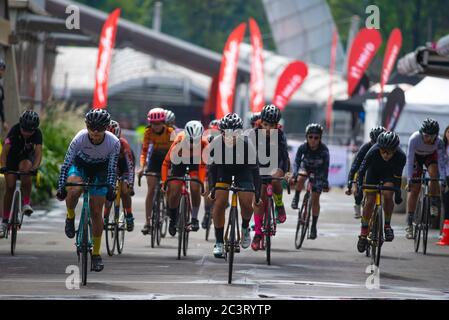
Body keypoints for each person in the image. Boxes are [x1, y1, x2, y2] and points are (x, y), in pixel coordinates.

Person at [56, 108, 120, 272]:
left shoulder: (113, 142)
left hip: (101, 170)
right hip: (80, 166)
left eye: (100, 129)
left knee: (96, 211)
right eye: (92, 128)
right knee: (74, 189)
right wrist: (61, 186)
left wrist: (111, 187)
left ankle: (96, 254)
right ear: (87, 126)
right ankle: (70, 217)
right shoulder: (80, 138)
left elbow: (112, 169)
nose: (96, 132)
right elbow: (66, 165)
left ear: (106, 128)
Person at [207, 113, 263, 258]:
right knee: (219, 203)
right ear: (222, 133)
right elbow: (212, 169)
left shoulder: (247, 144)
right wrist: (213, 188)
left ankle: (245, 228)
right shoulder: (216, 143)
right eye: (227, 134)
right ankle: (219, 242)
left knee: (246, 202)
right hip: (223, 171)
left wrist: (257, 193)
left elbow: (256, 171)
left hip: (243, 171)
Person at [354, 131, 405, 252]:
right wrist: (359, 187)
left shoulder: (401, 156)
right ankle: (363, 233)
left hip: (388, 175)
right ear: (379, 148)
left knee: (388, 195)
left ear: (395, 150)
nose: (386, 155)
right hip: (373, 173)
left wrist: (397, 193)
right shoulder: (372, 151)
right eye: (383, 151)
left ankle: (387, 225)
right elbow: (361, 171)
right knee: (370, 201)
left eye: (389, 152)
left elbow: (398, 177)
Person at [250, 104, 290, 251]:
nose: (268, 129)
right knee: (259, 199)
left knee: (275, 179)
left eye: (272, 126)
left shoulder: (279, 135)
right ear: (261, 122)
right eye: (265, 125)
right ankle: (258, 233)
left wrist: (283, 172)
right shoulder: (253, 134)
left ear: (276, 125)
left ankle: (279, 205)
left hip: (275, 163)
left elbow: (284, 157)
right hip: (258, 166)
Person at [0, 110, 42, 238]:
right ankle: (4, 221)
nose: (26, 133)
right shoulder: (14, 130)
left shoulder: (37, 134)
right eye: (24, 130)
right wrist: (3, 167)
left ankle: (26, 203)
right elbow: (4, 152)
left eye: (30, 131)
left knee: (26, 170)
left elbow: (38, 153)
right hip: (12, 159)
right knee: (10, 187)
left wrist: (35, 168)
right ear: (20, 126)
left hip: (25, 158)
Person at [162, 120, 208, 234]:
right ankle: (173, 218)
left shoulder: (204, 143)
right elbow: (165, 164)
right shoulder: (178, 141)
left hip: (195, 163)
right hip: (179, 162)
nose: (193, 143)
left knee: (195, 186)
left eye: (196, 140)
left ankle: (194, 218)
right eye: (191, 140)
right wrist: (164, 183)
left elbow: (202, 166)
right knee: (174, 191)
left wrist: (201, 183)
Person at [405, 118, 446, 239]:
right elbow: (410, 160)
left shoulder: (439, 142)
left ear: (435, 136)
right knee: (414, 189)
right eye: (425, 135)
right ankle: (409, 222)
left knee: (434, 173)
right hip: (416, 157)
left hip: (430, 156)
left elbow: (442, 163)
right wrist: (409, 180)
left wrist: (443, 179)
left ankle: (433, 202)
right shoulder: (414, 138)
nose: (426, 138)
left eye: (430, 136)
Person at [289, 123, 329, 240]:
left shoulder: (324, 150)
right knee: (301, 178)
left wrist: (325, 182)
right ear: (306, 137)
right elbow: (296, 162)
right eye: (310, 137)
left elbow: (326, 168)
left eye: (316, 138)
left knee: (316, 198)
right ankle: (296, 197)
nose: (313, 140)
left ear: (320, 138)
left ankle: (313, 226)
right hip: (305, 168)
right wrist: (295, 174)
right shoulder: (303, 147)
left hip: (319, 172)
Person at [138, 108, 175, 235]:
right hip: (155, 158)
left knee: (169, 186)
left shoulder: (171, 132)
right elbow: (144, 151)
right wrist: (142, 167)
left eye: (159, 123)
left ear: (163, 122)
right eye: (153, 123)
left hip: (168, 158)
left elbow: (175, 152)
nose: (156, 126)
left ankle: (170, 209)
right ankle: (147, 223)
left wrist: (171, 171)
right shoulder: (148, 132)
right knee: (151, 189)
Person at [346, 126, 386, 218]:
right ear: (371, 140)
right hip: (363, 169)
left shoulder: (386, 148)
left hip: (377, 170)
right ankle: (357, 203)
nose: (376, 146)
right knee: (358, 187)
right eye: (374, 142)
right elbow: (355, 167)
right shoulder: (365, 148)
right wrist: (350, 184)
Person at [104, 120, 135, 231]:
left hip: (124, 168)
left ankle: (129, 215)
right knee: (108, 191)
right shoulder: (103, 144)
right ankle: (105, 217)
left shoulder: (124, 144)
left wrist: (130, 184)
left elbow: (130, 167)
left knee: (125, 191)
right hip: (112, 168)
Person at [201, 119, 220, 229]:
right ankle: (207, 212)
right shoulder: (205, 140)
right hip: (209, 166)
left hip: (220, 166)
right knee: (207, 187)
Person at [441, 125, 449, 236]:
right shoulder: (442, 146)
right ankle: (445, 231)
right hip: (445, 177)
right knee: (446, 204)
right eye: (448, 132)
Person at [0, 59, 9, 134]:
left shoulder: (0, 88)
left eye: (3, 70)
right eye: (1, 69)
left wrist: (3, 121)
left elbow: (0, 105)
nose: (2, 72)